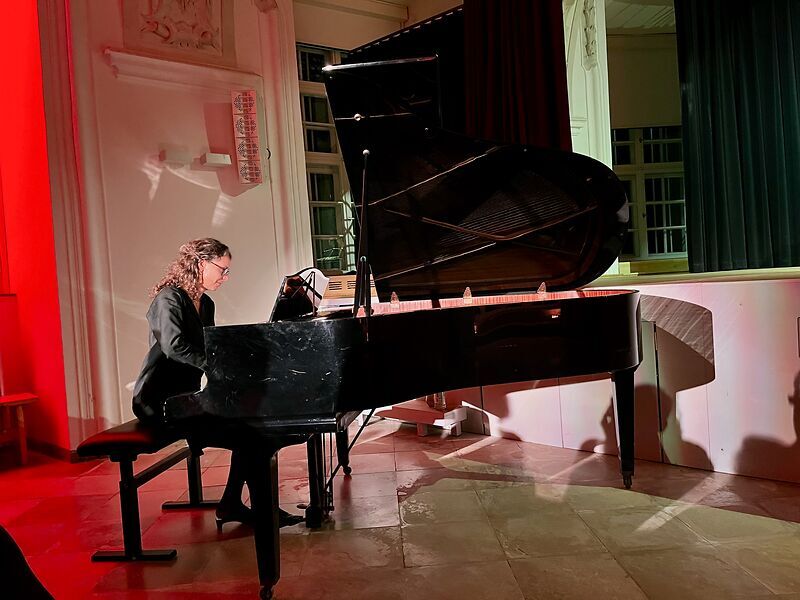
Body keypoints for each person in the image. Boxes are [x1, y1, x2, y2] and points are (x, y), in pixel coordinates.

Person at [131, 238, 282, 528]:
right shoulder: (169, 299)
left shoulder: (206, 303)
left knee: (255, 430)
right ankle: (249, 510)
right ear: (201, 264)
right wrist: (217, 367)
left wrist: (239, 362)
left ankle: (235, 504)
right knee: (251, 436)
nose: (225, 277)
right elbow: (174, 347)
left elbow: (209, 347)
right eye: (222, 270)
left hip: (186, 397)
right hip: (159, 400)